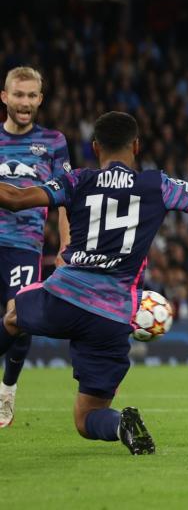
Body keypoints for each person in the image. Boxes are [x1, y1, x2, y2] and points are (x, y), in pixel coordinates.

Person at [0, 107, 188, 454]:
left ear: (95, 147)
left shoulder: (77, 180)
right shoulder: (157, 186)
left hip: (64, 298)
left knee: (12, 317)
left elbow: (15, 198)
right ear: (137, 146)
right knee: (88, 417)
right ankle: (120, 424)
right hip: (113, 316)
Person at [0, 67, 71, 428]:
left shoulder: (55, 142)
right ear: (5, 97)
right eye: (18, 95)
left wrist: (65, 246)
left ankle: (7, 391)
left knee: (21, 318)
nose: (25, 102)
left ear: (40, 99)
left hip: (24, 246)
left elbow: (65, 199)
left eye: (31, 96)